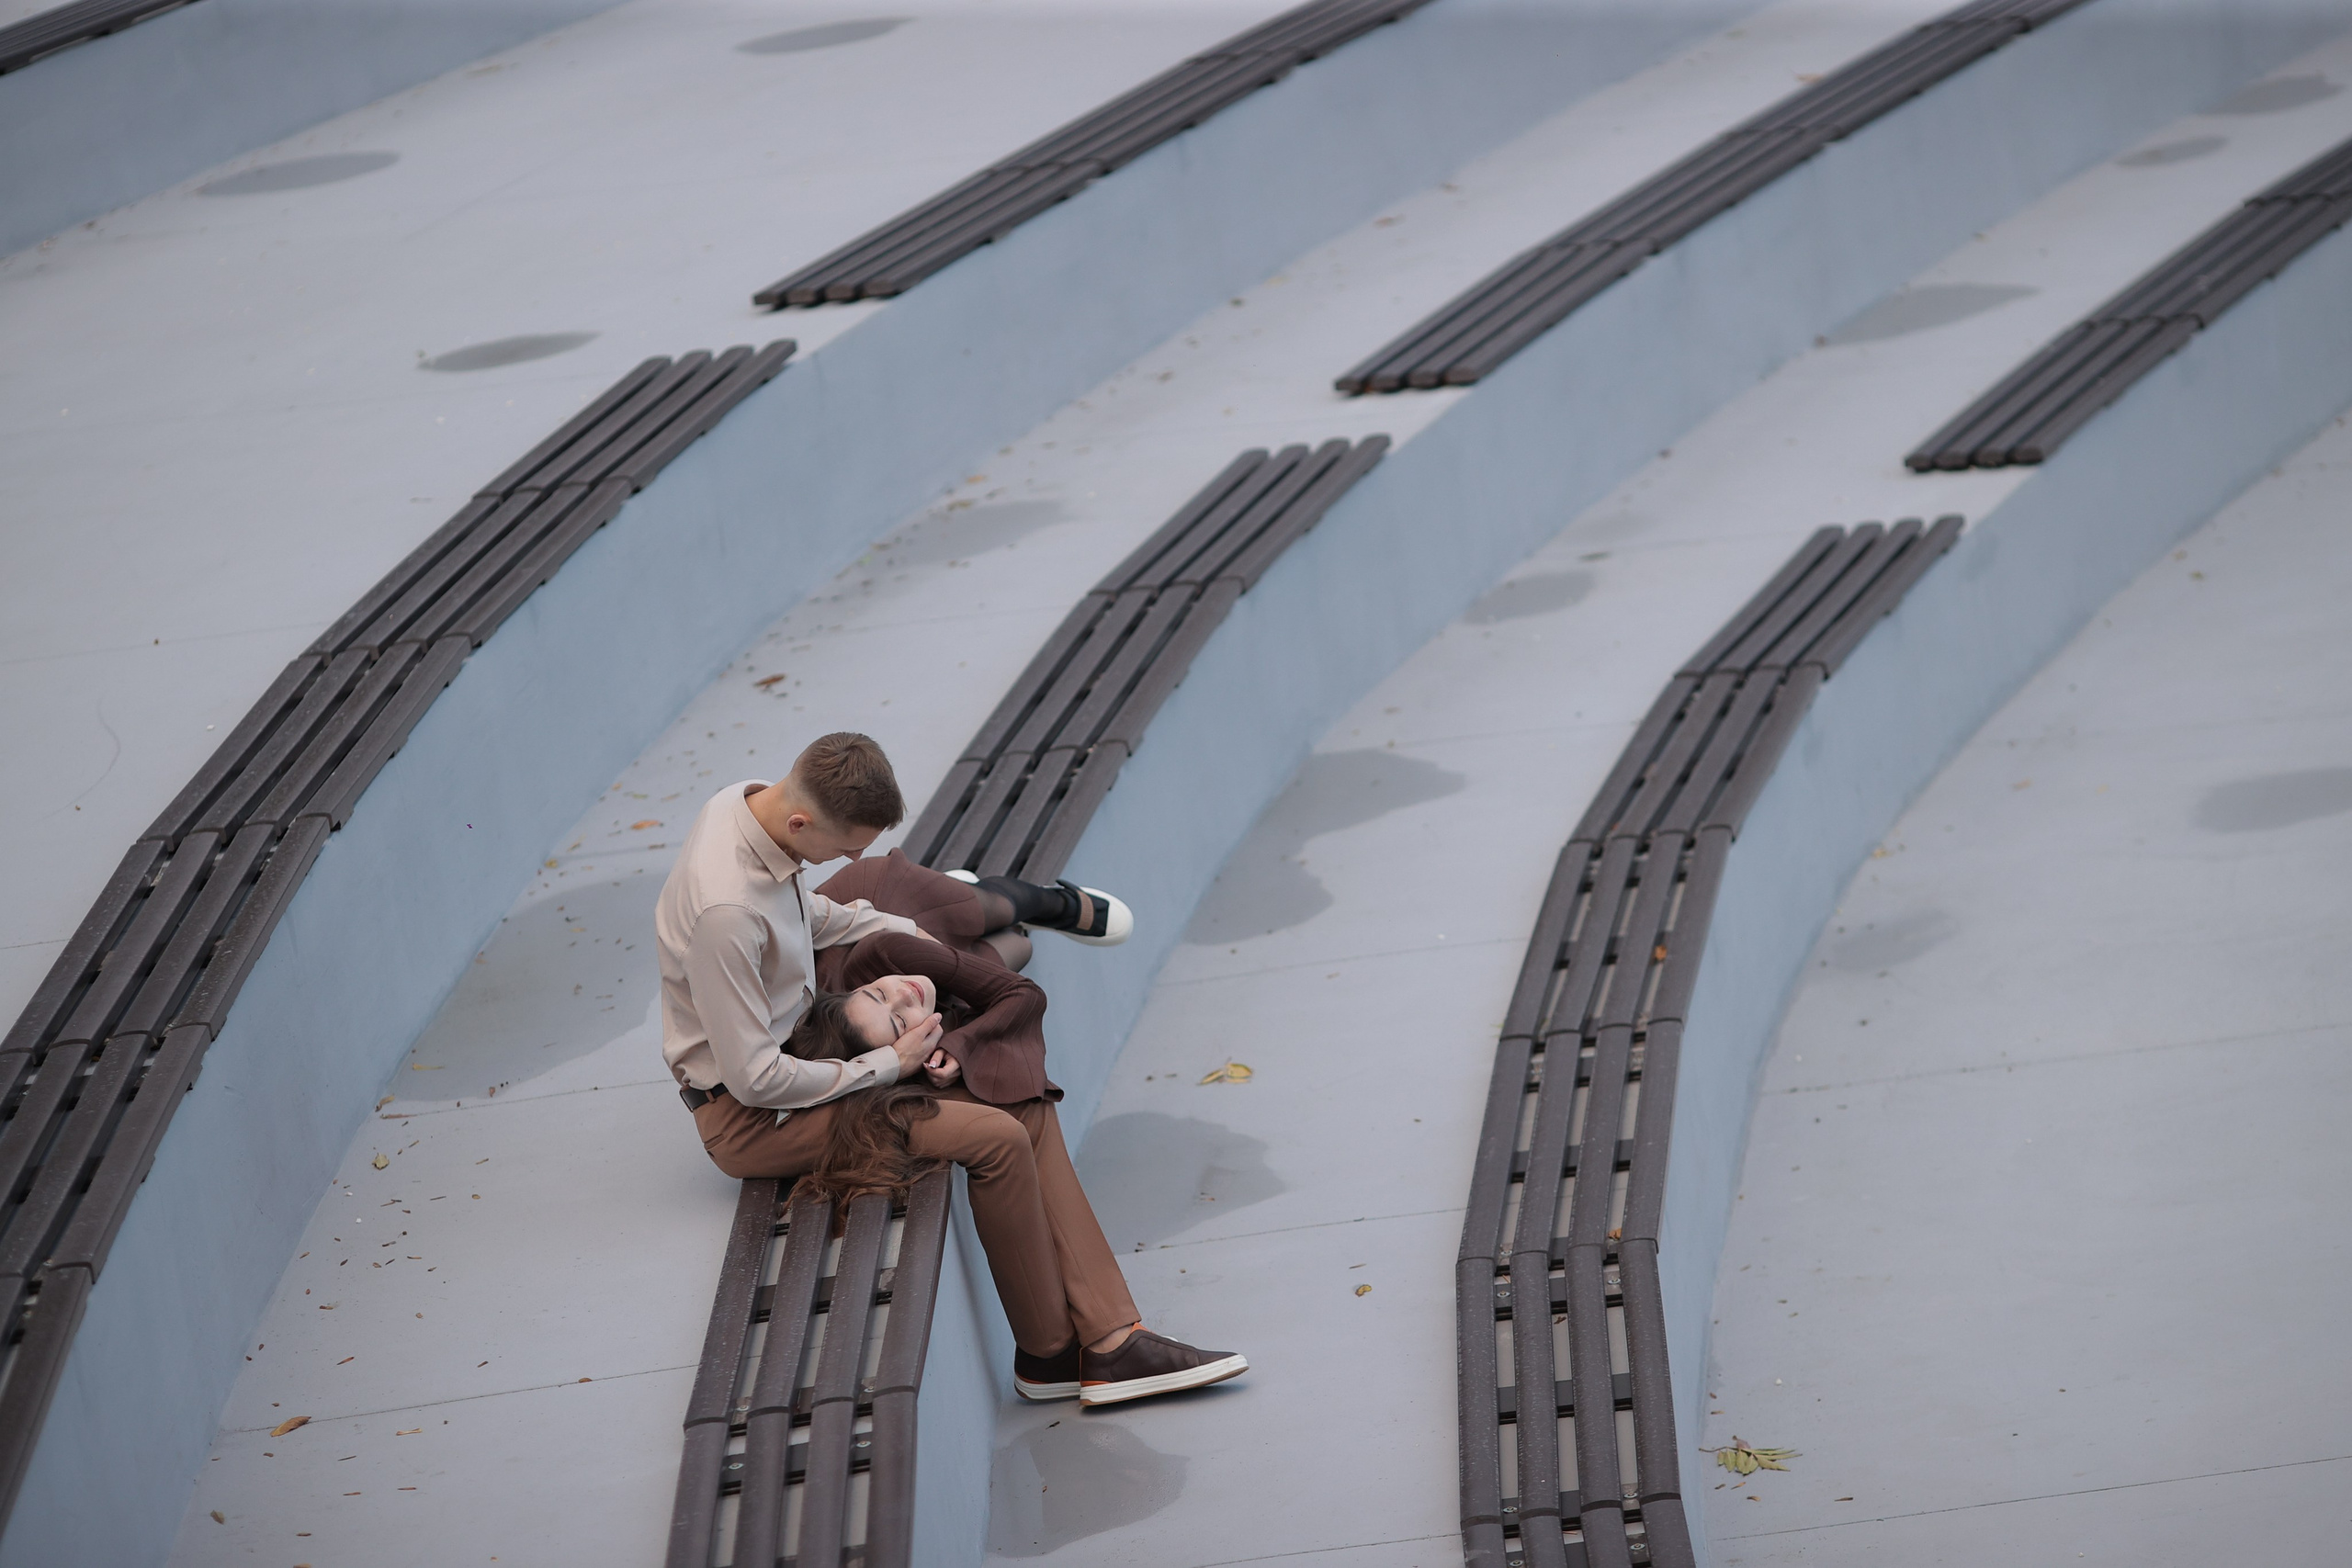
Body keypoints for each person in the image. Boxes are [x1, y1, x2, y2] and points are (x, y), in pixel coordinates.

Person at [657, 731, 1246, 1406]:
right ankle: (1053, 1351)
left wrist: (908, 935)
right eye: (848, 844)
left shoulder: (745, 808)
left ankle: (1108, 1339)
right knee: (994, 1137)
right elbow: (758, 1080)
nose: (852, 858)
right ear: (800, 822)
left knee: (1019, 1098)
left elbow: (802, 915)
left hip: (808, 1042)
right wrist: (888, 1063)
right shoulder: (725, 912)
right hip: (754, 1116)